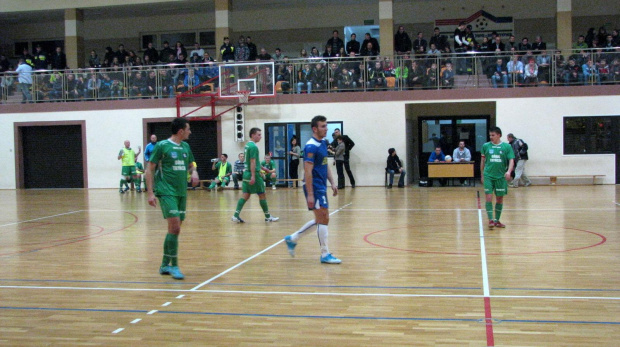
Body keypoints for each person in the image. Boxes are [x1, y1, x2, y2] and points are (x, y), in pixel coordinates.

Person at [146, 118, 199, 280]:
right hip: (165, 190)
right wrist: (150, 193)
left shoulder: (185, 146)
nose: (190, 132)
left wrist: (194, 172)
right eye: (188, 129)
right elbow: (149, 170)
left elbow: (191, 164)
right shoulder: (162, 146)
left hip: (181, 191)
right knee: (175, 227)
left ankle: (164, 264)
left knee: (173, 230)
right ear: (181, 131)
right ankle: (174, 266)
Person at [284, 115, 341, 264]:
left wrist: (332, 182)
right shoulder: (310, 146)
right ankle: (325, 254)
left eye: (326, 126)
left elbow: (325, 164)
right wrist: (310, 194)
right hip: (314, 186)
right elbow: (307, 171)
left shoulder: (323, 143)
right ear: (315, 129)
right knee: (324, 217)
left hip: (321, 185)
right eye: (323, 126)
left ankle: (293, 239)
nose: (326, 129)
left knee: (321, 218)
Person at [231, 128, 279, 223]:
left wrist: (263, 168)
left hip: (246, 174)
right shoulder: (253, 147)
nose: (260, 136)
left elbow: (253, 161)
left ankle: (235, 215)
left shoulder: (247, 145)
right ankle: (268, 217)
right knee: (262, 194)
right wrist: (253, 176)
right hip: (254, 174)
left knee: (246, 195)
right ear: (253, 135)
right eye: (259, 135)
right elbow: (252, 162)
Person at [481, 127, 514, 229]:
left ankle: (497, 220)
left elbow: (511, 160)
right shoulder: (486, 146)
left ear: (499, 135)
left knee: (499, 198)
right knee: (489, 197)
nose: (491, 137)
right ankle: (490, 219)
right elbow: (482, 161)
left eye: (493, 135)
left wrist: (508, 171)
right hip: (488, 176)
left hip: (500, 177)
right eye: (490, 135)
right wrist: (482, 174)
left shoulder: (506, 147)